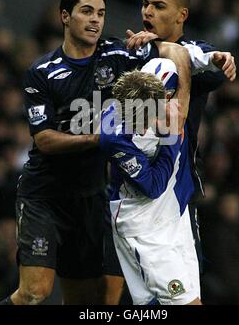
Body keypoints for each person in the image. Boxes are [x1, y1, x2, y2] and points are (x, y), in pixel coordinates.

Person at [0, 0, 199, 305]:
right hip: (45, 196)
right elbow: (45, 140)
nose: (95, 20)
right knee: (35, 293)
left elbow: (173, 50)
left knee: (86, 301)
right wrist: (102, 139)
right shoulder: (42, 72)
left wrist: (185, 96)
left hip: (91, 198)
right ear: (65, 16)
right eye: (86, 11)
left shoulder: (116, 54)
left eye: (101, 14)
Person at [102, 0, 237, 304]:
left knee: (172, 297)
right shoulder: (127, 53)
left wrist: (166, 50)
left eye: (159, 6)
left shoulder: (195, 54)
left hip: (175, 195)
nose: (148, 11)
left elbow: (216, 70)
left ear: (181, 14)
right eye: (146, 3)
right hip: (131, 194)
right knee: (111, 294)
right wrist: (150, 50)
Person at [100, 65, 201, 305]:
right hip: (143, 227)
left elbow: (176, 54)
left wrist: (211, 58)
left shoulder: (158, 81)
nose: (143, 127)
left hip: (175, 215)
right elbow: (153, 186)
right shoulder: (114, 136)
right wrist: (173, 135)